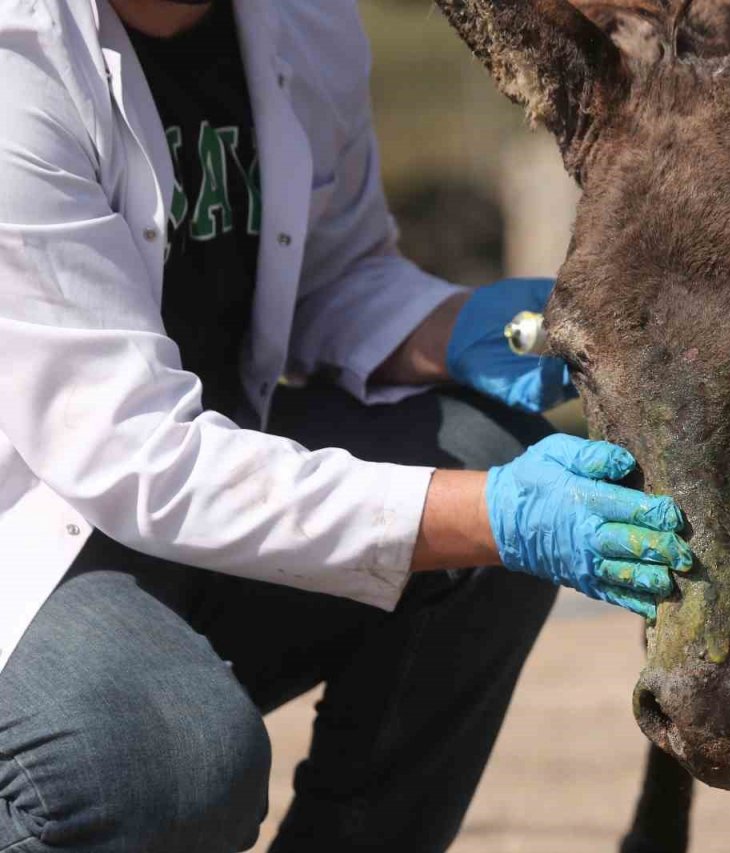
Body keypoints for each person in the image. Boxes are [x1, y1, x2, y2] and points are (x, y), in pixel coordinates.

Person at [0, 1, 693, 851]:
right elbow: (134, 451)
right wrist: (494, 514)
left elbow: (331, 276)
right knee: (168, 764)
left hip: (194, 472)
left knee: (490, 466)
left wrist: (467, 327)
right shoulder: (18, 60)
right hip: (37, 525)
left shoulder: (302, 19)